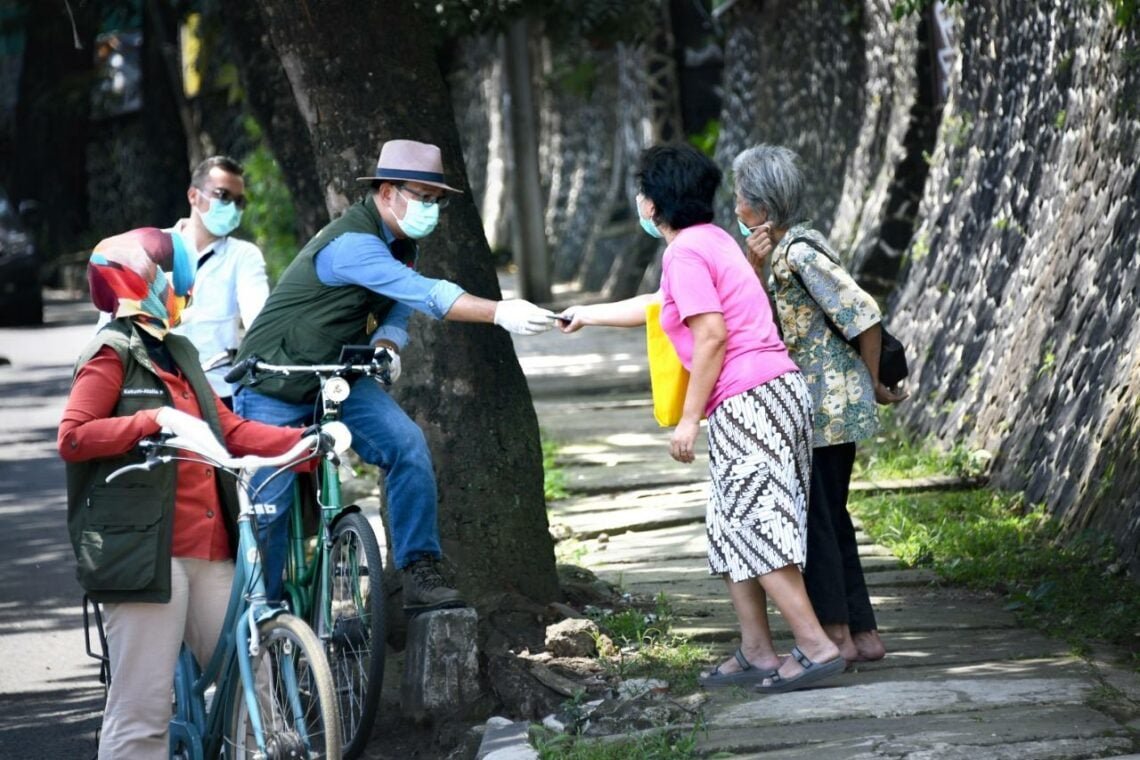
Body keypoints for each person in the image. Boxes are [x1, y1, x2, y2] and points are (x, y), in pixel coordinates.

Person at [558, 144, 845, 693]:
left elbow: (711, 334)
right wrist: (586, 314)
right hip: (774, 393)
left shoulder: (685, 253)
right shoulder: (711, 241)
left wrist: (689, 420)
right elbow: (660, 305)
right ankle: (757, 650)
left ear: (652, 204)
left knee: (758, 525)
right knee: (732, 526)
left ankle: (814, 645)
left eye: (642, 193)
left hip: (749, 399)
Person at [232, 138, 557, 612]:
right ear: (386, 192)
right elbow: (423, 293)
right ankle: (266, 620)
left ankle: (418, 570)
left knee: (407, 446)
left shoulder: (402, 244)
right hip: (274, 382)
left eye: (435, 201)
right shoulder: (352, 245)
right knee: (272, 512)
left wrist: (387, 346)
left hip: (337, 377)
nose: (430, 209)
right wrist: (499, 312)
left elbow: (397, 311)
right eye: (420, 197)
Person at [59, 228, 319, 758]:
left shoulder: (180, 350)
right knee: (143, 711)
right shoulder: (112, 353)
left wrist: (307, 442)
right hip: (146, 556)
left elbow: (228, 429)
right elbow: (73, 437)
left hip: (211, 546)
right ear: (145, 282)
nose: (186, 293)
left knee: (255, 688)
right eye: (178, 282)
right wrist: (151, 419)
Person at [733, 144, 908, 664]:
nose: (737, 208)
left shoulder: (800, 254)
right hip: (819, 407)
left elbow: (864, 313)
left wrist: (874, 382)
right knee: (831, 514)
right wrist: (754, 266)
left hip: (825, 410)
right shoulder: (784, 254)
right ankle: (863, 634)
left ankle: (835, 634)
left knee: (816, 520)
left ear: (762, 209)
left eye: (742, 199)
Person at [169, 155, 269, 407]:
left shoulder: (243, 255)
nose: (232, 206)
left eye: (239, 201)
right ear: (194, 196)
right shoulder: (154, 248)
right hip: (159, 388)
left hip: (219, 389)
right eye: (223, 195)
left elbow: (258, 317)